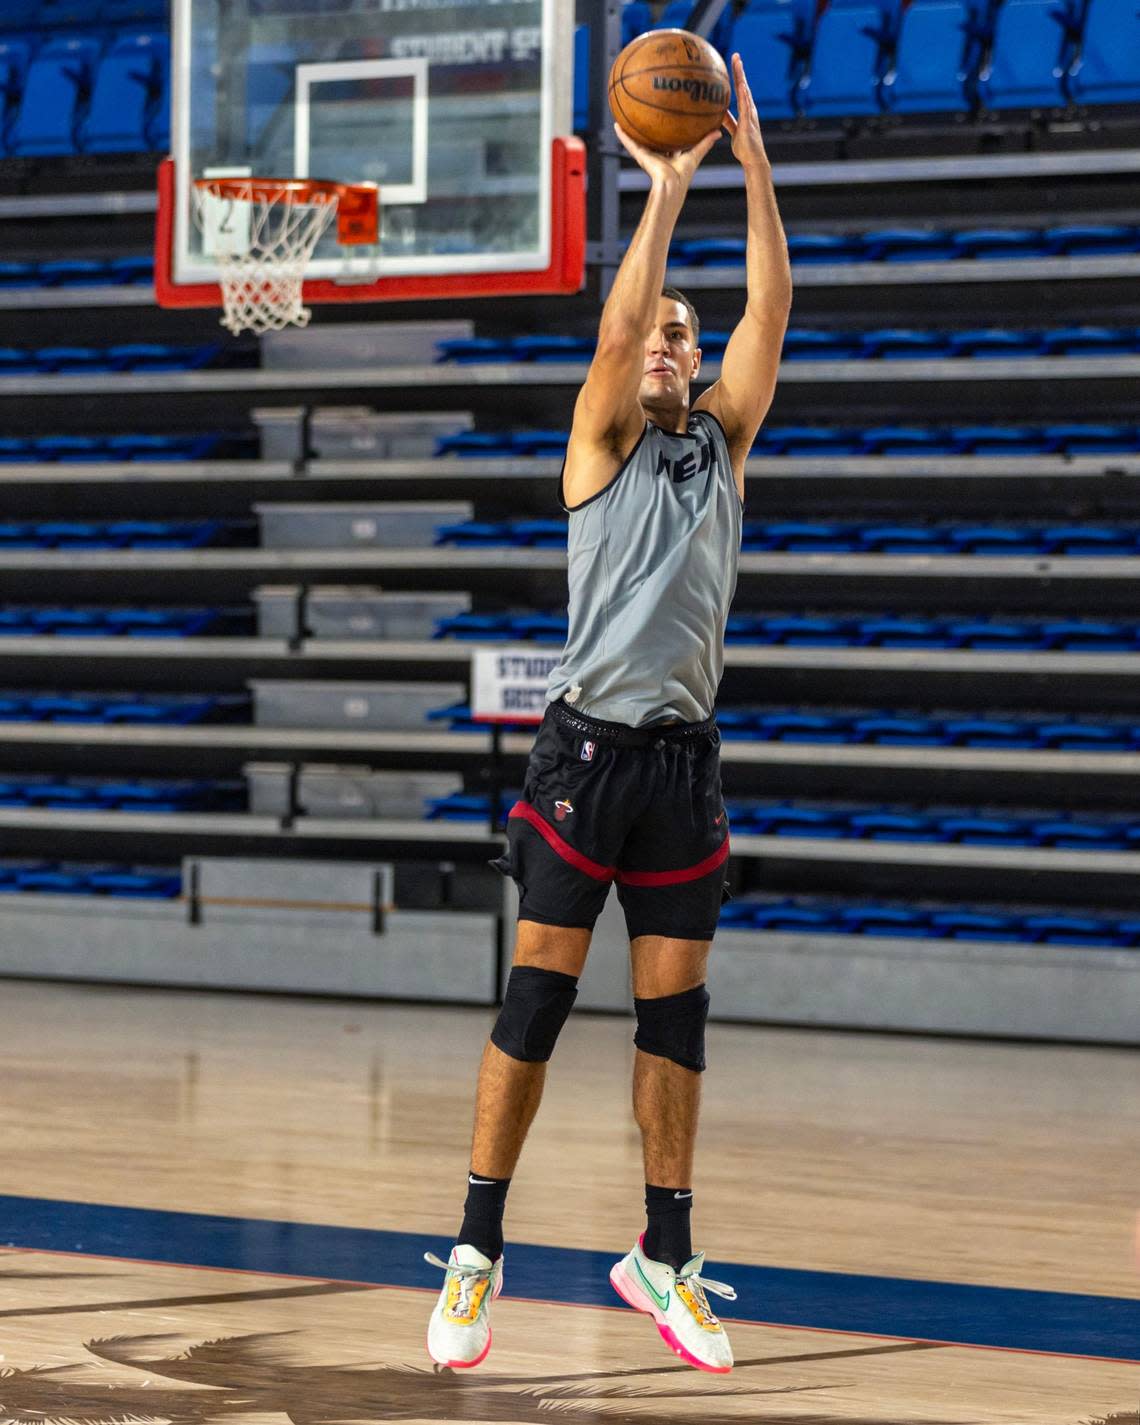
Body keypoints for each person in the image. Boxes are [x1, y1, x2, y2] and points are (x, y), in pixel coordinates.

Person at [426, 53, 791, 1375]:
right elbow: (621, 321)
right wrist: (665, 188)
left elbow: (769, 309)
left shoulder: (722, 445)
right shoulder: (596, 439)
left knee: (674, 1023)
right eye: (656, 333)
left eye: (683, 337)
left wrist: (749, 175)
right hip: (584, 758)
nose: (670, 342)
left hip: (683, 769)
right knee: (533, 1005)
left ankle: (666, 1255)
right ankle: (477, 1246)